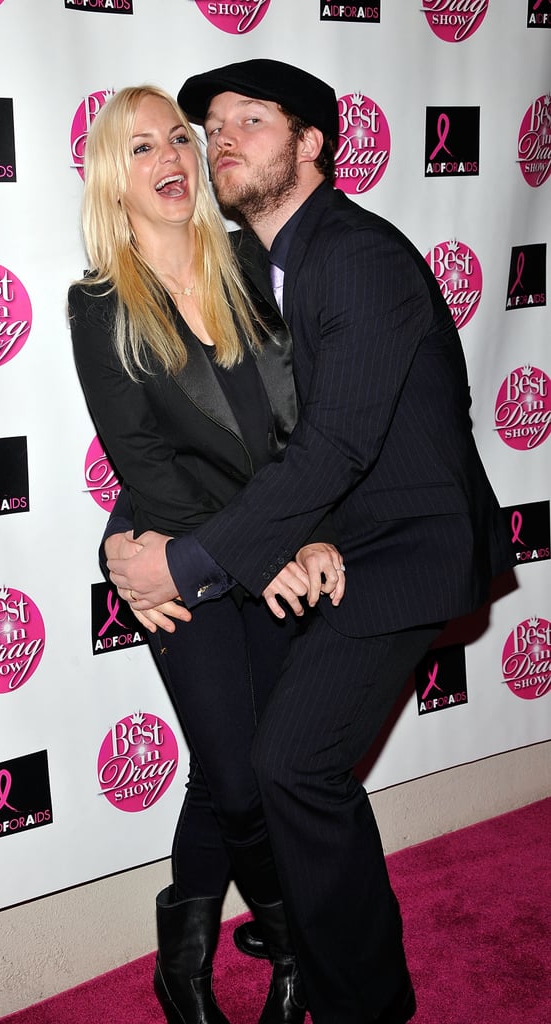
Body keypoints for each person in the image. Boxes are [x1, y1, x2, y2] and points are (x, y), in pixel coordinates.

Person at [104, 60, 515, 1024]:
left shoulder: (353, 256)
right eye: (212, 127)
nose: (223, 140)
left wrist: (187, 562)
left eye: (253, 120)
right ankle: (306, 923)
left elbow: (331, 445)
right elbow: (228, 437)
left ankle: (361, 1000)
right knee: (256, 755)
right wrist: (134, 540)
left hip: (401, 548)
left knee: (293, 762)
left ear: (311, 144)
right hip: (327, 543)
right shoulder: (259, 261)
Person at [68, 84, 346, 1024]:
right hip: (175, 557)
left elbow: (300, 421)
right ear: (116, 181)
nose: (172, 157)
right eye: (141, 147)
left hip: (269, 543)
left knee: (243, 760)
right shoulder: (99, 303)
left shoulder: (248, 262)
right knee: (235, 773)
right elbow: (144, 465)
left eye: (178, 139)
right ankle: (293, 942)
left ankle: (184, 957)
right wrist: (243, 548)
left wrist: (289, 533)